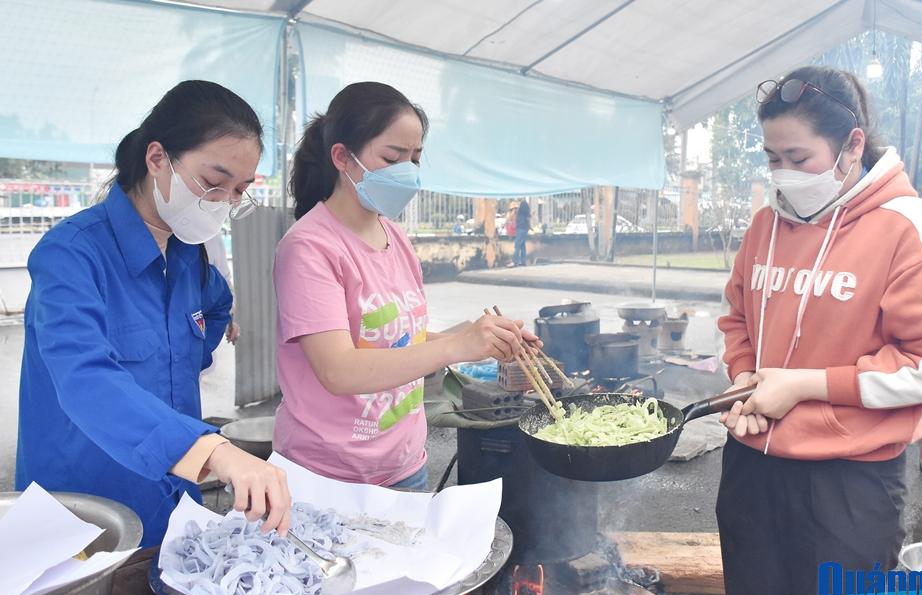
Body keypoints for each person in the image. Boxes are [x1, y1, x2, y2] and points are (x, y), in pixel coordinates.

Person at [716, 66, 922, 595]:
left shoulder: (910, 228)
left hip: (851, 480)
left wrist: (803, 384)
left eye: (798, 158)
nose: (783, 173)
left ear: (852, 144)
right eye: (771, 157)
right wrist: (745, 378)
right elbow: (737, 318)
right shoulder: (764, 225)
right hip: (752, 468)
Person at [16, 81, 293, 547]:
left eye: (238, 191)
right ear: (157, 158)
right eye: (213, 182)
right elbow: (85, 381)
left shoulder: (190, 262)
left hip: (169, 500)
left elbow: (218, 307)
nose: (223, 202)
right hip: (83, 513)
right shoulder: (72, 255)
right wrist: (214, 450)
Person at [274, 82, 534, 491]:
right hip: (330, 478)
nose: (408, 171)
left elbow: (399, 340)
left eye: (415, 158)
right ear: (342, 157)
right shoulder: (309, 248)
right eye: (393, 157)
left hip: (405, 465)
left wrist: (480, 338)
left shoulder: (396, 239)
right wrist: (457, 346)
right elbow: (338, 369)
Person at [513, 198, 530, 266]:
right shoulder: (526, 213)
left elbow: (516, 220)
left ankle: (515, 261)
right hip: (524, 229)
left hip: (520, 229)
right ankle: (523, 261)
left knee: (517, 245)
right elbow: (528, 221)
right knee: (522, 245)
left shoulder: (519, 213)